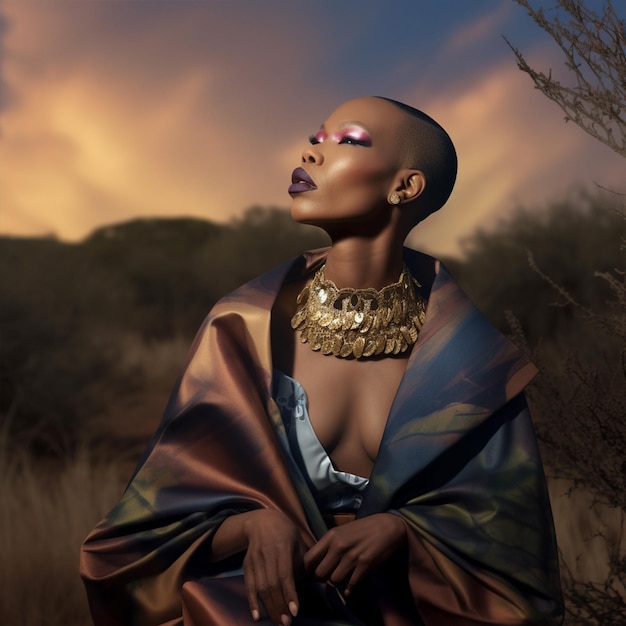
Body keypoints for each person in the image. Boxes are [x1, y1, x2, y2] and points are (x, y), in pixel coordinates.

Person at [80, 96, 563, 626]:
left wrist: (402, 530)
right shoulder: (241, 329)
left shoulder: (472, 364)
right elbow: (137, 538)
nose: (312, 153)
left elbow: (515, 558)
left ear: (406, 186)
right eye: (317, 137)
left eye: (348, 140)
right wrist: (254, 525)